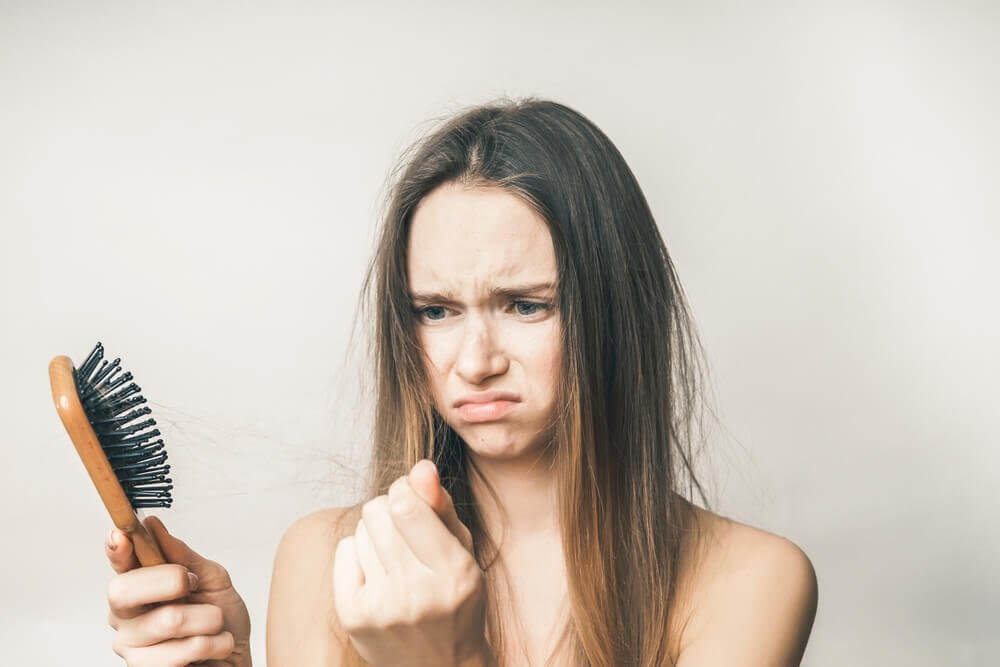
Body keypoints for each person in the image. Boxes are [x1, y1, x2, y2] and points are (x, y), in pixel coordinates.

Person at [103, 97, 819, 666]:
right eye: (437, 310)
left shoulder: (752, 580)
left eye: (526, 304)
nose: (474, 360)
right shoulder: (323, 559)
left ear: (614, 313)